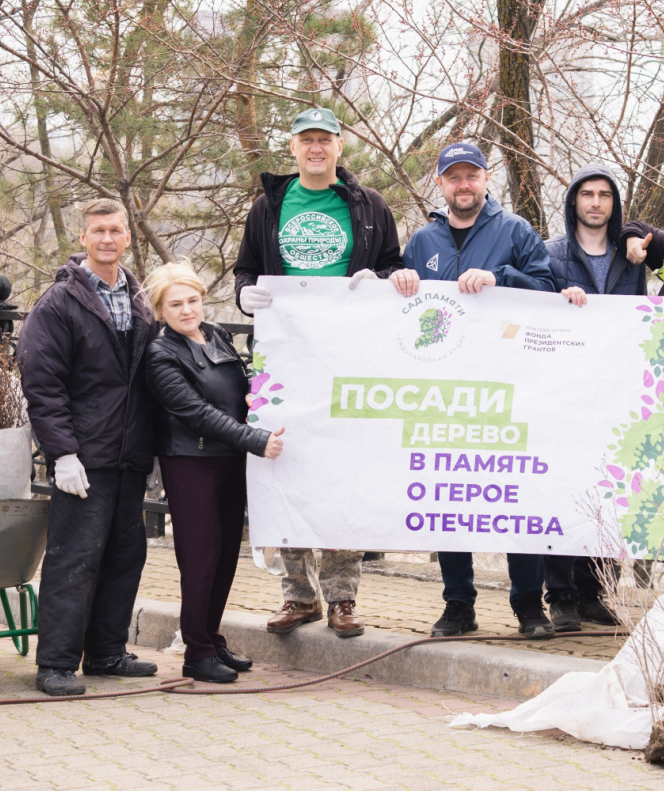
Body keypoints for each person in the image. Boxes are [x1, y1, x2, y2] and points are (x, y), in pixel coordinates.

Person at [233, 107, 402, 638]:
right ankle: (298, 596)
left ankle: (343, 598)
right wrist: (245, 294)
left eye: (325, 140)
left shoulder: (369, 206)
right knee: (282, 465)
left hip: (347, 356)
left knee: (342, 472)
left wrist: (381, 281)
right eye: (306, 140)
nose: (316, 149)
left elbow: (396, 265)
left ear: (339, 147)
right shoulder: (269, 206)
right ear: (293, 147)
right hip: (283, 358)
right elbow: (244, 267)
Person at [390, 141, 556, 639]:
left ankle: (529, 605)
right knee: (449, 496)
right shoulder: (423, 242)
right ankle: (458, 604)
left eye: (472, 175)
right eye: (453, 177)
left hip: (511, 386)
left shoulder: (515, 230)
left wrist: (502, 277)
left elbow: (547, 291)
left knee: (514, 494)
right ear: (440, 185)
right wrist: (396, 278)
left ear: (486, 179)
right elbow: (402, 316)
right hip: (446, 391)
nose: (463, 184)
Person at [17, 199, 159, 696]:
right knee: (74, 558)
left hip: (130, 454)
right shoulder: (58, 304)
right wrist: (63, 453)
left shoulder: (141, 296)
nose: (106, 238)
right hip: (85, 454)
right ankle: (55, 663)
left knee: (125, 556)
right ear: (83, 238)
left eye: (115, 230)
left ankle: (106, 652)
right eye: (98, 231)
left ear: (126, 237)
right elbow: (43, 384)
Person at [144, 264, 286, 683]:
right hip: (191, 462)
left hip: (230, 459)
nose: (187, 310)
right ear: (160, 310)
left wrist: (259, 402)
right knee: (200, 557)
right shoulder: (161, 354)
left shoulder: (216, 335)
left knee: (225, 554)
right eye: (176, 304)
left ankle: (211, 636)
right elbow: (195, 413)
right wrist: (255, 439)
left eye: (193, 300)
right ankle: (196, 652)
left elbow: (240, 387)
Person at [543, 163, 640, 631]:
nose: (596, 203)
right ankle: (559, 595)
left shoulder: (630, 258)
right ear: (574, 202)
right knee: (560, 487)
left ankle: (594, 591)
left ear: (614, 204)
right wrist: (559, 298)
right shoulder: (551, 253)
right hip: (562, 389)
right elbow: (532, 302)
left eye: (605, 195)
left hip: (612, 388)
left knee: (605, 488)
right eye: (587, 195)